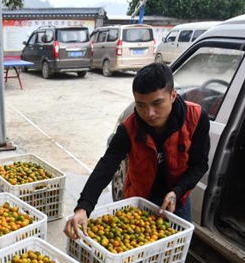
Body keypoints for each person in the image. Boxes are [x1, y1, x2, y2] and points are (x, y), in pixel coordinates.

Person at [64, 62, 210, 239]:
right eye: (141, 105)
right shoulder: (129, 128)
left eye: (157, 103)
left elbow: (199, 165)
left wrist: (177, 192)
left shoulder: (195, 118)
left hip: (177, 201)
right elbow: (107, 165)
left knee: (175, 248)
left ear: (172, 95)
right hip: (139, 202)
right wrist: (83, 208)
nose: (149, 113)